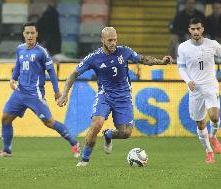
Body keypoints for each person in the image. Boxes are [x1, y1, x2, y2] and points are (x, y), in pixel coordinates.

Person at [57, 27, 173, 167]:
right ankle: (84, 160)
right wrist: (64, 94)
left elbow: (143, 59)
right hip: (105, 96)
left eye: (115, 40)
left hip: (123, 97)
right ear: (102, 40)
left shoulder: (124, 51)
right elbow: (73, 74)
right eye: (110, 40)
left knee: (126, 133)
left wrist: (161, 62)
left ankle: (109, 135)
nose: (113, 43)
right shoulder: (94, 57)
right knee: (96, 123)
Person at [0, 22, 80, 158]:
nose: (30, 35)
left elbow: (51, 71)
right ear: (23, 34)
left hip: (35, 95)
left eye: (32, 33)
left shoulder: (41, 52)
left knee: (49, 122)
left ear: (37, 34)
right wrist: (13, 78)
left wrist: (57, 91)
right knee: (5, 118)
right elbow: (18, 66)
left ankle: (74, 143)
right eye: (27, 33)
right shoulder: (20, 49)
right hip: (19, 92)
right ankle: (7, 150)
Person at [177, 17, 221, 164]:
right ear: (189, 30)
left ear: (202, 29)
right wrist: (188, 81)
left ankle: (213, 136)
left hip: (210, 85)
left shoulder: (212, 44)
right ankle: (209, 152)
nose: (196, 31)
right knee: (200, 124)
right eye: (193, 29)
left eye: (198, 28)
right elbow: (181, 67)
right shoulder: (183, 47)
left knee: (214, 117)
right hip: (195, 89)